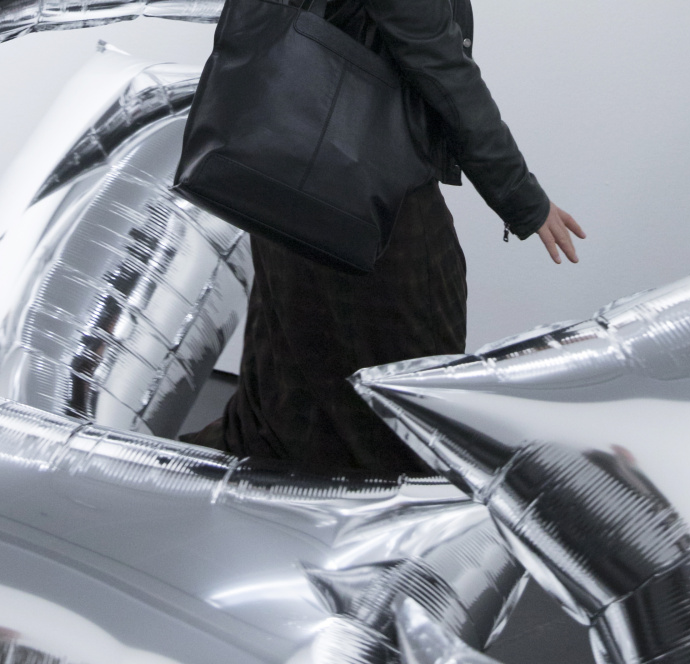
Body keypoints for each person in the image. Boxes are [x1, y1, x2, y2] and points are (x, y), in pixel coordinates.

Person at [185, 0, 583, 476]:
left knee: (288, 384)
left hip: (285, 174)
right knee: (409, 393)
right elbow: (441, 67)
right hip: (362, 197)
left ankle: (250, 507)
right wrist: (522, 198)